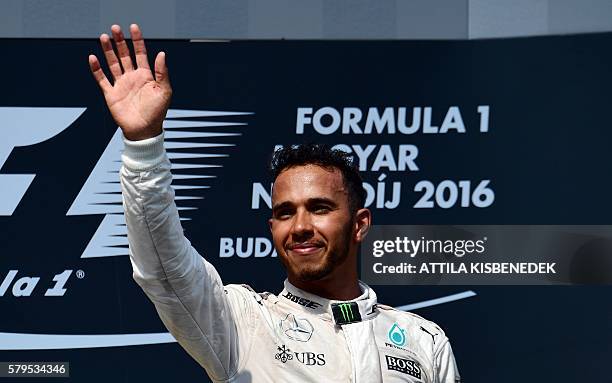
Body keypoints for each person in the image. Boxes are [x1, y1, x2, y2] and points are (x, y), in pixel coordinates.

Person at [89, 24, 461, 383]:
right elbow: (164, 268)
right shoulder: (244, 322)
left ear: (360, 223)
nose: (299, 226)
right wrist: (143, 145)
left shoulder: (423, 340)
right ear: (272, 229)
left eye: (319, 208)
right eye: (285, 212)